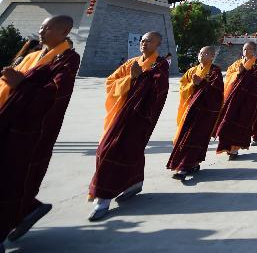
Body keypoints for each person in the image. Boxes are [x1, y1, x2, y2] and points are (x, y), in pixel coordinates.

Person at [0, 16, 80, 242]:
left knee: (13, 176)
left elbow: (55, 94)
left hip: (31, 129)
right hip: (8, 118)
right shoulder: (32, 56)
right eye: (41, 27)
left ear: (65, 31)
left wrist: (21, 84)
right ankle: (28, 210)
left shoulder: (68, 59)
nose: (41, 31)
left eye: (47, 28)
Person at [88, 32, 170, 221]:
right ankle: (134, 182)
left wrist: (140, 79)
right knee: (114, 148)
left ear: (158, 43)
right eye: (142, 40)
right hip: (121, 113)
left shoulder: (160, 65)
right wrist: (131, 79)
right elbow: (110, 83)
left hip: (140, 115)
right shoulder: (131, 63)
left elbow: (160, 90)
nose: (144, 43)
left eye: (149, 40)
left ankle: (103, 196)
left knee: (113, 149)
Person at [166, 46, 223, 179]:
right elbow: (182, 86)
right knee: (185, 136)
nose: (202, 55)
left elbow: (217, 92)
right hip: (190, 109)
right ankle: (189, 164)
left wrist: (202, 83)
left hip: (205, 112)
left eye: (206, 53)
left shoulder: (215, 71)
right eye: (201, 52)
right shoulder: (192, 70)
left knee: (196, 137)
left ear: (212, 56)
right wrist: (193, 85)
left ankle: (185, 166)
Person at [215, 42, 257, 159]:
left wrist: (244, 72)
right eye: (244, 49)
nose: (246, 51)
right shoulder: (237, 63)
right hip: (233, 98)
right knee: (228, 121)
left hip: (247, 99)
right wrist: (238, 73)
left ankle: (234, 150)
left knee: (242, 123)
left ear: (254, 51)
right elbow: (229, 76)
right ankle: (228, 147)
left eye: (249, 49)